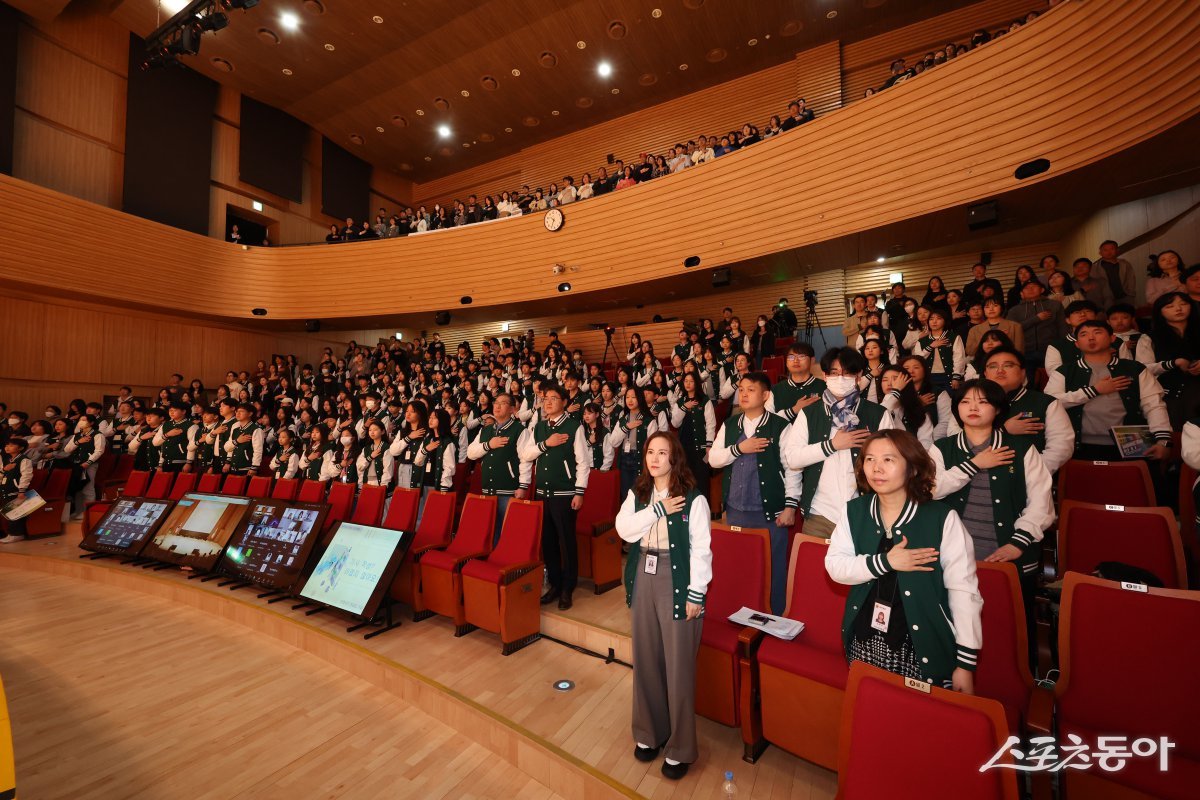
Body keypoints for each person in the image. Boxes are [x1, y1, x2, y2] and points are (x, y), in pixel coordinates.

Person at [824, 429, 982, 692]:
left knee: (916, 725)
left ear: (912, 468)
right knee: (870, 714)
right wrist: (885, 562)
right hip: (864, 638)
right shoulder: (854, 510)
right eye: (869, 459)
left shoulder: (942, 519)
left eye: (888, 459)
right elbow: (835, 566)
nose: (876, 468)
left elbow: (964, 592)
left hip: (920, 647)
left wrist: (965, 664)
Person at [615, 431, 711, 780]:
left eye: (662, 452)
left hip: (677, 579)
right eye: (650, 452)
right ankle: (649, 733)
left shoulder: (693, 498)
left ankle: (681, 748)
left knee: (678, 666)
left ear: (675, 458)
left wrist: (695, 593)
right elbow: (624, 529)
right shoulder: (639, 493)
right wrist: (656, 509)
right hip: (643, 572)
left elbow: (702, 548)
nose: (654, 458)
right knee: (645, 658)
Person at [929, 380, 1054, 646]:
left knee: (1010, 631)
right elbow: (930, 490)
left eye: (983, 401)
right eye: (965, 401)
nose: (973, 407)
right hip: (953, 557)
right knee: (952, 626)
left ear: (998, 409)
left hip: (1007, 554)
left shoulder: (1021, 449)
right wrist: (974, 464)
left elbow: (1042, 503)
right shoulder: (942, 449)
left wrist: (1018, 543)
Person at [708, 372, 799, 614]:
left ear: (765, 395)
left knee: (773, 566)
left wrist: (790, 507)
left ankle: (774, 617)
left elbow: (792, 468)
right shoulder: (730, 425)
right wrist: (740, 448)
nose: (744, 394)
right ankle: (742, 614)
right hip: (737, 510)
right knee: (741, 565)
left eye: (751, 389)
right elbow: (715, 460)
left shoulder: (780, 425)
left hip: (769, 511)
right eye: (742, 389)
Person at [782, 347, 896, 537]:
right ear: (825, 376)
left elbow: (894, 460)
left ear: (859, 376)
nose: (840, 378)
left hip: (866, 512)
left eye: (847, 373)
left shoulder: (878, 414)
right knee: (814, 565)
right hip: (820, 514)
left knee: (862, 565)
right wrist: (832, 445)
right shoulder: (809, 413)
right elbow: (793, 458)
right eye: (834, 373)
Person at [1044, 320, 1172, 461]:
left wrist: (1163, 440)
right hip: (1077, 445)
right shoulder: (1065, 371)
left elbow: (1154, 405)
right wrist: (1094, 390)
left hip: (1131, 444)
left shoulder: (1135, 369)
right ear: (1077, 344)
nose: (1091, 338)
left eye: (1097, 332)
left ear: (1112, 338)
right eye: (1084, 334)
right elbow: (1049, 403)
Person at [518, 383, 590, 610]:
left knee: (566, 542)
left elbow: (583, 463)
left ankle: (568, 587)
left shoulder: (573, 426)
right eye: (545, 398)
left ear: (564, 402)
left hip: (565, 494)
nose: (548, 402)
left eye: (553, 398)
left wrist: (579, 492)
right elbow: (526, 454)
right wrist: (545, 444)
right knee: (547, 542)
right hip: (542, 494)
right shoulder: (538, 427)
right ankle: (555, 584)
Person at [948, 348, 1074, 474]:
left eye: (1008, 365)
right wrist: (1003, 430)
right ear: (985, 373)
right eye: (993, 366)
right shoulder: (968, 401)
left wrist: (1026, 473)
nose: (1000, 370)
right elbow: (953, 435)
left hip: (1029, 478)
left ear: (1023, 372)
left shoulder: (1046, 403)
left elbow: (1061, 448)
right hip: (972, 473)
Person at [466, 392, 531, 545]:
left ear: (512, 409)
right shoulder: (486, 430)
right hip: (487, 489)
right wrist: (489, 445)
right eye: (495, 403)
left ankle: (504, 564)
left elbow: (525, 460)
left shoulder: (520, 430)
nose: (497, 406)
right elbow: (470, 453)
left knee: (506, 533)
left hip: (508, 490)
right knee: (489, 532)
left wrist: (523, 486)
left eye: (503, 403)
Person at [1134, 292, 1200, 427]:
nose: (1178, 309)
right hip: (1168, 395)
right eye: (1170, 306)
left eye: (1183, 304)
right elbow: (1142, 368)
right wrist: (1172, 363)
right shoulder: (1149, 337)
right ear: (1160, 312)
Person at [1006, 278, 1065, 384]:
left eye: (1034, 286)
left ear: (1042, 290)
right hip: (1025, 352)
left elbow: (1062, 327)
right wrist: (1036, 319)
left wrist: (1063, 347)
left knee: (1057, 380)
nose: (1030, 289)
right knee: (1029, 383)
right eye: (1026, 288)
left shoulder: (1054, 305)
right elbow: (1012, 330)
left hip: (1051, 350)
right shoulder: (1014, 310)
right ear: (1021, 293)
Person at [669, 372, 716, 503]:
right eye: (686, 381)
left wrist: (709, 445)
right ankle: (687, 508)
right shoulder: (680, 402)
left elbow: (711, 424)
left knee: (701, 479)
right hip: (683, 447)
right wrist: (684, 407)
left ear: (696, 383)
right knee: (684, 479)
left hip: (701, 447)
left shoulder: (704, 400)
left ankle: (704, 509)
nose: (688, 384)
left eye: (691, 381)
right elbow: (675, 423)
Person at [609, 386, 661, 502]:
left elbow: (654, 445)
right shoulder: (623, 419)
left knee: (641, 496)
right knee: (626, 496)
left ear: (640, 399)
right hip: (624, 460)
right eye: (627, 397)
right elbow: (613, 442)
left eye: (633, 397)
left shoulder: (649, 420)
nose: (630, 400)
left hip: (641, 460)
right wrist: (626, 427)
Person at [765, 342, 825, 422]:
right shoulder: (776, 390)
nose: (796, 360)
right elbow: (767, 421)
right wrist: (793, 411)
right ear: (786, 362)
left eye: (801, 356)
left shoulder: (824, 387)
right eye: (791, 357)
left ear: (812, 360)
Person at [912, 309, 965, 393]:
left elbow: (959, 358)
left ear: (945, 321)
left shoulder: (953, 337)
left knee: (951, 402)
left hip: (949, 376)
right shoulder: (922, 341)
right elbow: (918, 360)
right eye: (931, 319)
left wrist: (956, 377)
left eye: (939, 318)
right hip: (929, 377)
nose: (934, 321)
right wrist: (931, 346)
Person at [1045, 300, 1100, 373]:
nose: (1083, 314)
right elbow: (1055, 373)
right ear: (1068, 320)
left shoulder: (1114, 341)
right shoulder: (1056, 346)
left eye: (1088, 311)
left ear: (1096, 316)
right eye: (1077, 312)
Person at [0, 437, 34, 544]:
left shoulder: (24, 459)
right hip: (5, 489)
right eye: (6, 445)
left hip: (16, 491)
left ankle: (17, 534)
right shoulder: (8, 460)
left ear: (21, 448)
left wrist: (22, 491)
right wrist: (4, 469)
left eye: (11, 445)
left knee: (15, 513)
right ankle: (11, 533)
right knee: (8, 513)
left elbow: (26, 475)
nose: (7, 447)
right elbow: (2, 474)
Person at [1092, 240, 1136, 305]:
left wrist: (1130, 293)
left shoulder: (1125, 264)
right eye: (1105, 250)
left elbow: (1131, 278)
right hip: (1106, 300)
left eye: (1112, 249)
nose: (1109, 252)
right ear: (1100, 252)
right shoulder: (1095, 267)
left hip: (1126, 296)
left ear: (1117, 250)